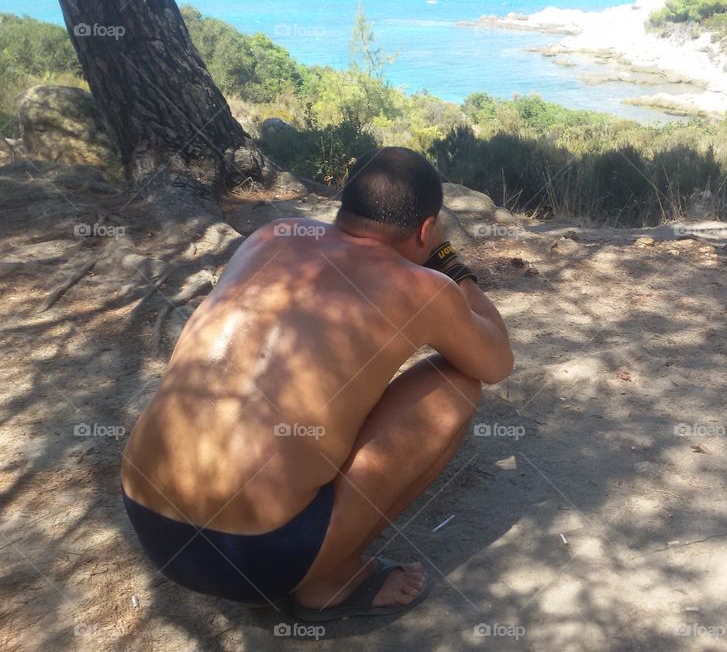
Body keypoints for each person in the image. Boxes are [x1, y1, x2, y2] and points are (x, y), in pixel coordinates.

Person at [120, 147, 513, 622]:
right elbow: (494, 361)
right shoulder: (421, 287)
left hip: (150, 526)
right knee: (456, 384)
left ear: (345, 206)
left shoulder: (272, 234)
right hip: (261, 558)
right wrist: (447, 261)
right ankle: (331, 581)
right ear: (426, 230)